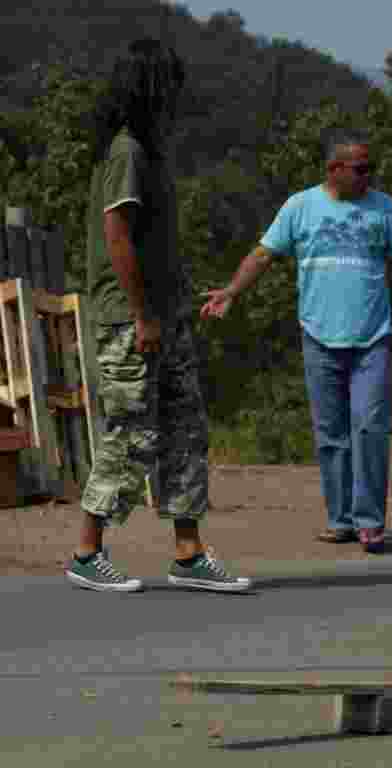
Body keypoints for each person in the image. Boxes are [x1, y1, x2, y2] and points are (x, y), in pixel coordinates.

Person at [201, 128, 392, 553]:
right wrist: (232, 290)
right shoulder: (300, 207)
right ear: (334, 169)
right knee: (331, 434)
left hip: (372, 338)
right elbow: (263, 254)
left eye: (371, 169)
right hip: (319, 336)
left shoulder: (384, 208)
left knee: (370, 427)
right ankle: (340, 519)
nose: (368, 177)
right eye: (360, 169)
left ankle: (370, 523)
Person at [66, 38, 250, 592]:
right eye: (167, 85)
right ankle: (86, 550)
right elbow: (117, 238)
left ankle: (188, 554)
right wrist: (143, 316)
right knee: (131, 434)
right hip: (131, 320)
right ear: (148, 88)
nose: (174, 97)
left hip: (166, 316)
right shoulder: (126, 152)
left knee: (185, 431)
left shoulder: (149, 151)